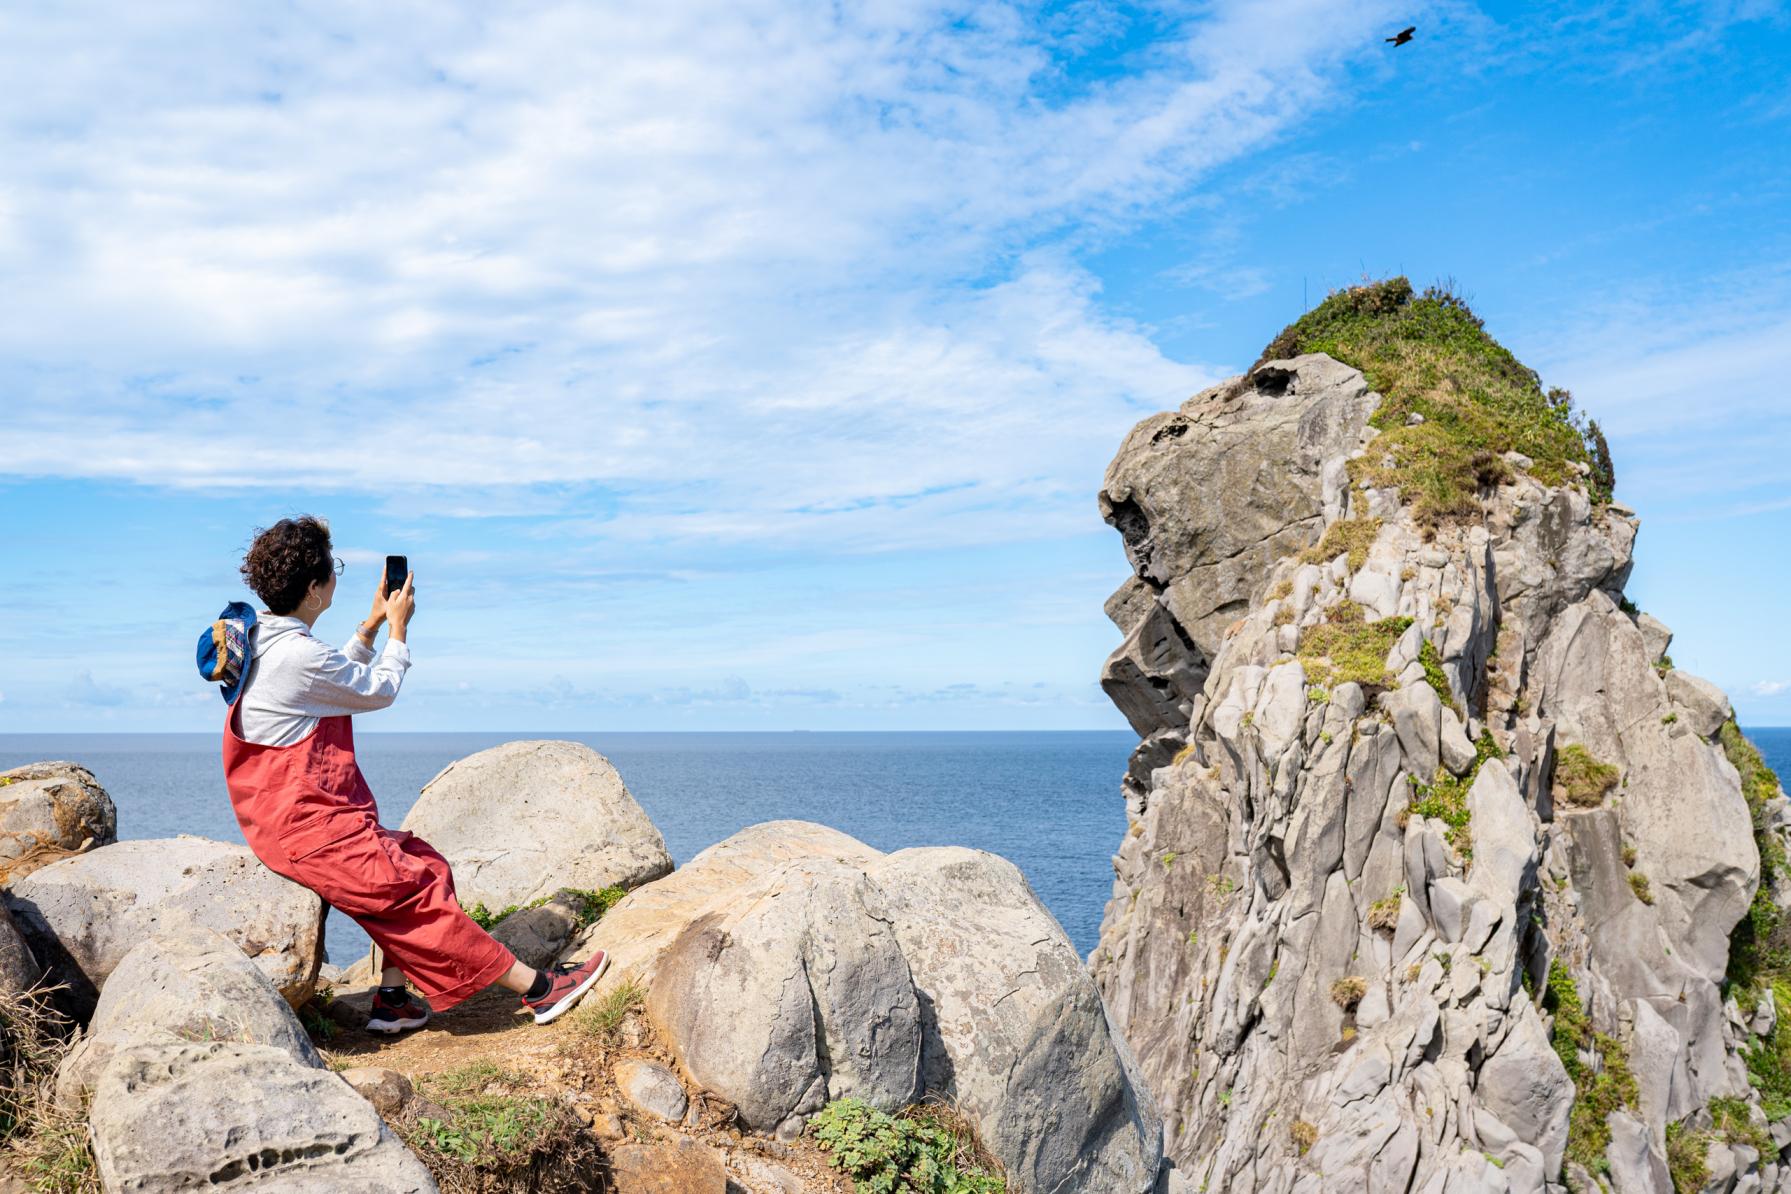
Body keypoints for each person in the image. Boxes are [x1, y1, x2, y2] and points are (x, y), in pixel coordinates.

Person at [213, 516, 607, 1033]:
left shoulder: (264, 638)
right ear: (313, 589)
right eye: (333, 571)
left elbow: (331, 684)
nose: (336, 577)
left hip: (300, 817)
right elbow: (375, 691)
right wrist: (399, 629)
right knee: (413, 894)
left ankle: (393, 1001)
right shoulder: (296, 656)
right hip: (307, 828)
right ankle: (539, 990)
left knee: (426, 862)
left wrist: (371, 625)